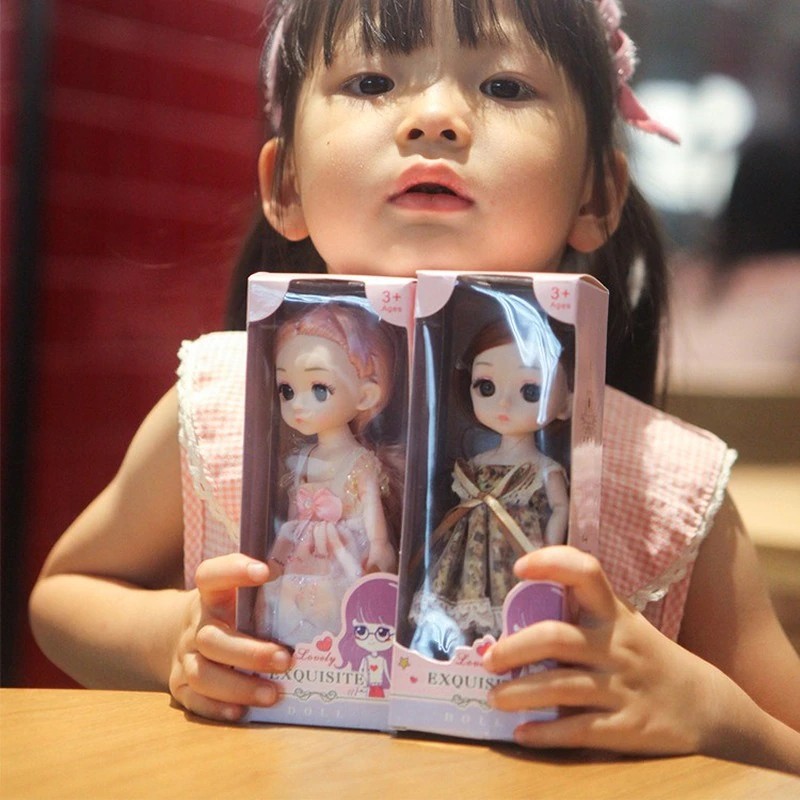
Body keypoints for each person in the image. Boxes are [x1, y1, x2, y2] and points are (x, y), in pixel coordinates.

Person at [29, 0, 800, 773]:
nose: (435, 118)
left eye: (504, 87)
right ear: (286, 182)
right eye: (371, 82)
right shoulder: (219, 402)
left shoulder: (668, 481)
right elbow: (63, 595)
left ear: (596, 194)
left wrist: (707, 710)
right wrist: (174, 638)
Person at [409, 314, 571, 659]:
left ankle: (501, 646)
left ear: (566, 403)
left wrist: (548, 548)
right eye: (486, 387)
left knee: (509, 603)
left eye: (530, 391)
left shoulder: (543, 468)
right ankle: (457, 648)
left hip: (516, 550)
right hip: (467, 550)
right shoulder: (478, 462)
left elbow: (561, 507)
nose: (503, 404)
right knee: (457, 599)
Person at [254, 303, 398, 647]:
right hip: (301, 550)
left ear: (366, 394)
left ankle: (337, 649)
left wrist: (380, 547)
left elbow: (372, 514)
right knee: (290, 600)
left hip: (344, 551)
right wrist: (280, 551)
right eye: (287, 390)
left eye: (320, 389)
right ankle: (298, 649)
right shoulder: (303, 459)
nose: (297, 405)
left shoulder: (360, 460)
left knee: (336, 602)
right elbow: (294, 515)